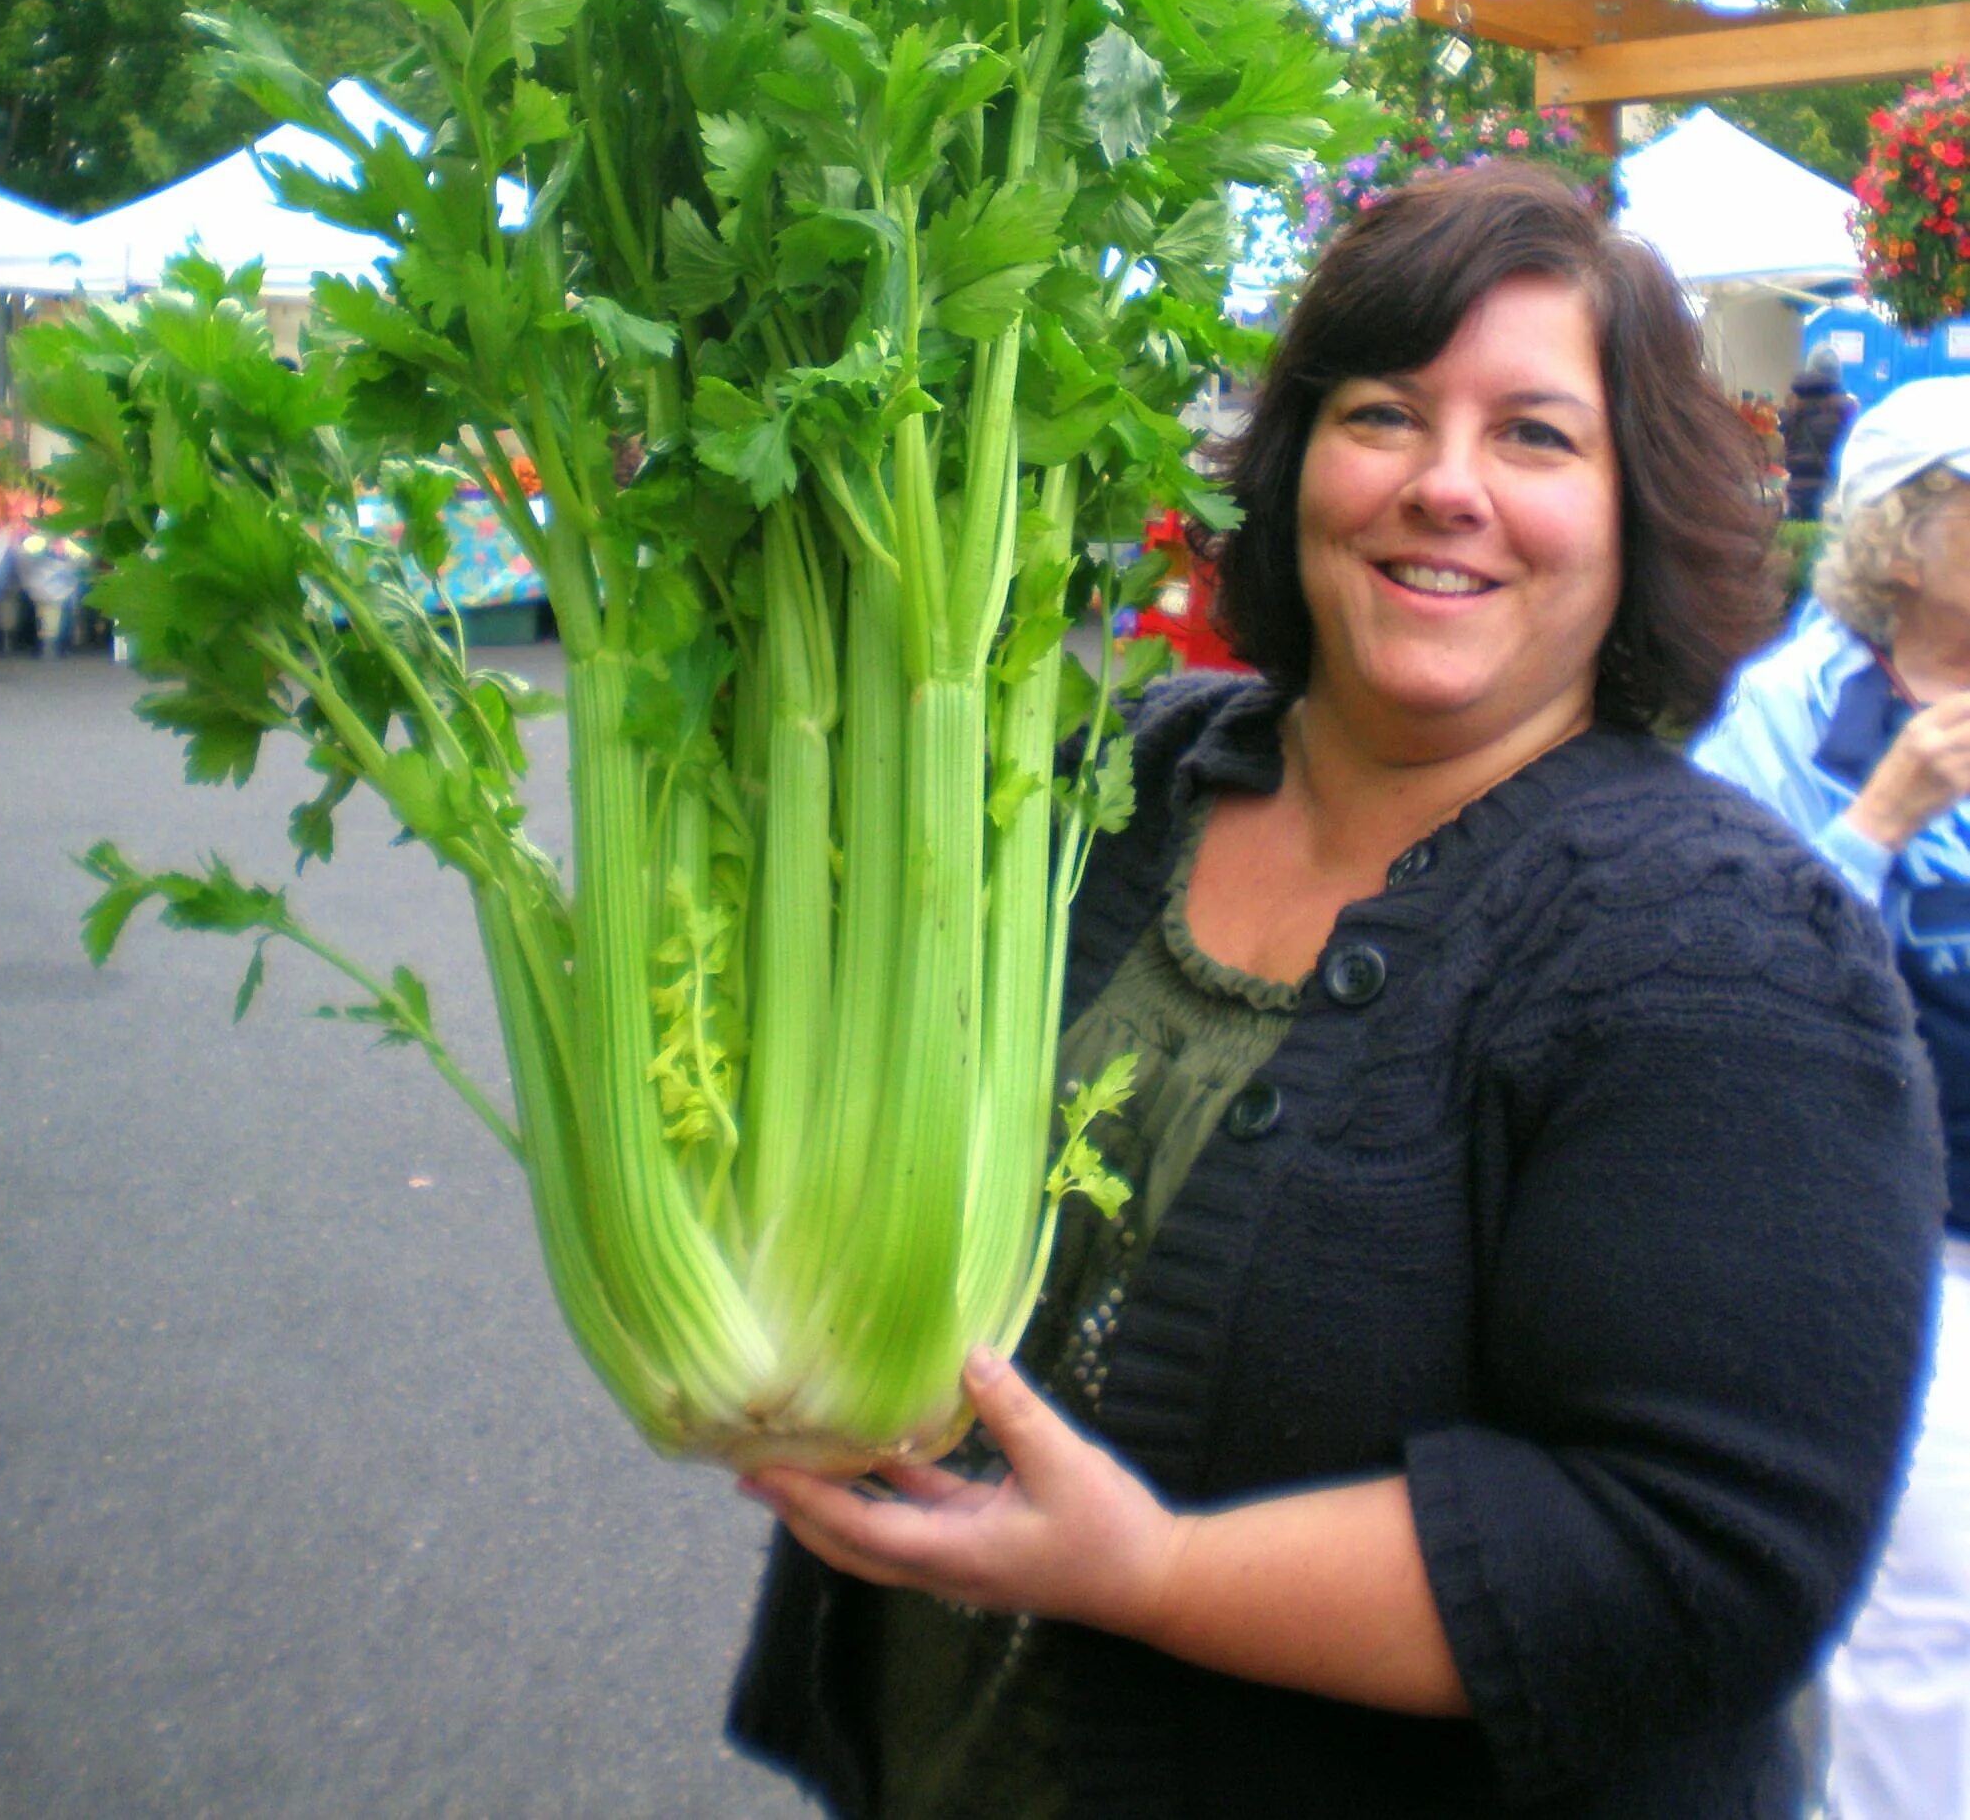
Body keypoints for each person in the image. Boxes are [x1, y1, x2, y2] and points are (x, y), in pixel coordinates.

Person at [729, 163, 1942, 1820]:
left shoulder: (1725, 947)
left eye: (1533, 434)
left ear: (1637, 506)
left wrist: (1150, 1568)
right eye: (1380, 412)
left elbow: (1697, 1558)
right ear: (1291, 460)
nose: (1443, 485)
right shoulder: (1104, 786)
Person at [1695, 375, 1970, 1819]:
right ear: (1907, 528)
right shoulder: (1786, 717)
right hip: (1902, 1237)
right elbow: (1725, 980)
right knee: (1924, 1612)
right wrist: (1875, 824)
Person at [1781, 347, 1859, 525]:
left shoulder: (1793, 406)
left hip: (1797, 493)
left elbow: (1786, 446)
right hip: (1830, 495)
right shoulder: (1845, 408)